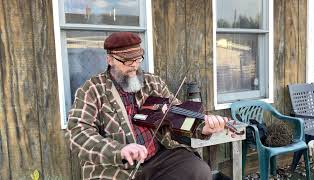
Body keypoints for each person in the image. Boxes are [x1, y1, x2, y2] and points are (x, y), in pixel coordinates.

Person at [66, 32, 229, 180]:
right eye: (126, 60)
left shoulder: (153, 82)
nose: (134, 66)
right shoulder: (92, 89)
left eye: (137, 59)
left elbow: (178, 115)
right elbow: (78, 133)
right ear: (110, 59)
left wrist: (202, 127)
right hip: (117, 167)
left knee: (198, 170)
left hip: (159, 157)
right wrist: (119, 150)